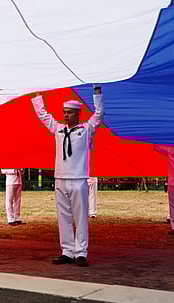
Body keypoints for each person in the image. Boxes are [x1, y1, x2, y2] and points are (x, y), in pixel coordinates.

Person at [31, 84, 103, 267]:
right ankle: (67, 251)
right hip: (60, 179)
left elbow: (99, 115)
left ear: (78, 114)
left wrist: (97, 93)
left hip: (78, 179)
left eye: (70, 112)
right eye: (64, 112)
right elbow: (43, 116)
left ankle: (81, 252)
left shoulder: (85, 129)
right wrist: (38, 96)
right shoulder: (58, 129)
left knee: (80, 217)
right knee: (63, 217)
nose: (65, 115)